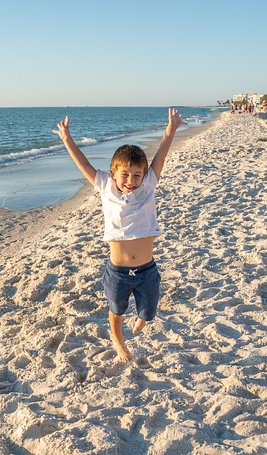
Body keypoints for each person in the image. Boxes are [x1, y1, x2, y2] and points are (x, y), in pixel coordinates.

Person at [53, 109, 186, 362]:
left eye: (137, 175)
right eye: (125, 174)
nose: (131, 180)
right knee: (117, 309)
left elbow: (160, 156)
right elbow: (83, 163)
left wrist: (171, 130)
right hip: (118, 271)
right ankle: (118, 340)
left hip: (147, 270)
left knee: (148, 313)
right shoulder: (104, 186)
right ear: (112, 173)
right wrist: (67, 139)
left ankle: (142, 319)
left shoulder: (148, 185)